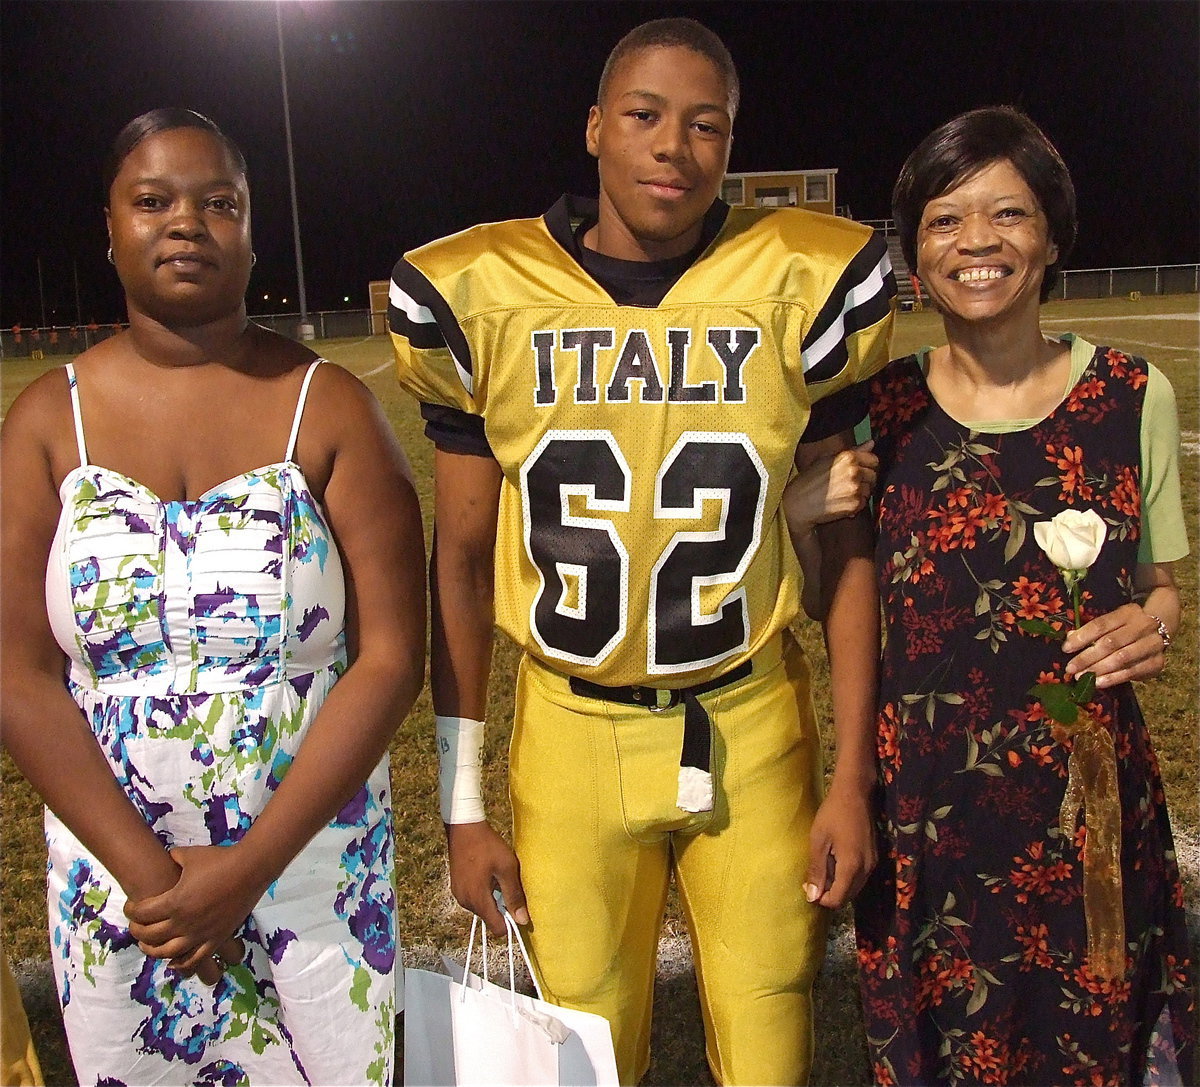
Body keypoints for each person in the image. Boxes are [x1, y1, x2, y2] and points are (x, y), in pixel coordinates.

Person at [388, 18, 896, 1086]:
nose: (675, 145)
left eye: (706, 125)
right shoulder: (485, 289)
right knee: (583, 1049)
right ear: (593, 129)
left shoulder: (798, 276)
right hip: (571, 726)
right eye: (645, 115)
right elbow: (465, 561)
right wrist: (461, 806)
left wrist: (853, 773)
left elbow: (847, 545)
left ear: (730, 142)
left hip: (750, 714)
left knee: (770, 1042)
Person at [0, 108, 425, 1085]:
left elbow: (393, 656)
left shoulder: (334, 408)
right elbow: (18, 673)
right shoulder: (43, 422)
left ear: (251, 232)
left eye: (218, 203)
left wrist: (245, 871)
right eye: (153, 201)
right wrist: (160, 886)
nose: (187, 223)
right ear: (110, 229)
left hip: (313, 866)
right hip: (125, 890)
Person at [846, 106, 1195, 1085]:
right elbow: (829, 609)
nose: (977, 243)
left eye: (1008, 213)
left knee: (1092, 1053)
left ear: (1051, 235)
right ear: (915, 250)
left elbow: (1159, 590)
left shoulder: (1134, 395)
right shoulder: (879, 412)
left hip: (1085, 811)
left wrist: (1153, 624)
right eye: (945, 220)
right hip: (926, 818)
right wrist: (803, 515)